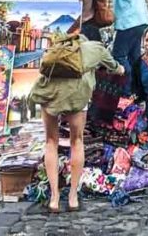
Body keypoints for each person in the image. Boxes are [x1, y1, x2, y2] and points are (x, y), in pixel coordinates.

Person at [27, 18, 124, 213]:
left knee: (51, 142)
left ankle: (54, 198)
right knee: (76, 141)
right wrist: (120, 70)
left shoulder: (61, 44)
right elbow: (116, 68)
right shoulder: (96, 48)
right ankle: (72, 197)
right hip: (76, 97)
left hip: (49, 93)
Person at [92, 0, 148, 95]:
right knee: (134, 57)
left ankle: (126, 91)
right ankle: (138, 90)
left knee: (119, 56)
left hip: (128, 23)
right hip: (140, 21)